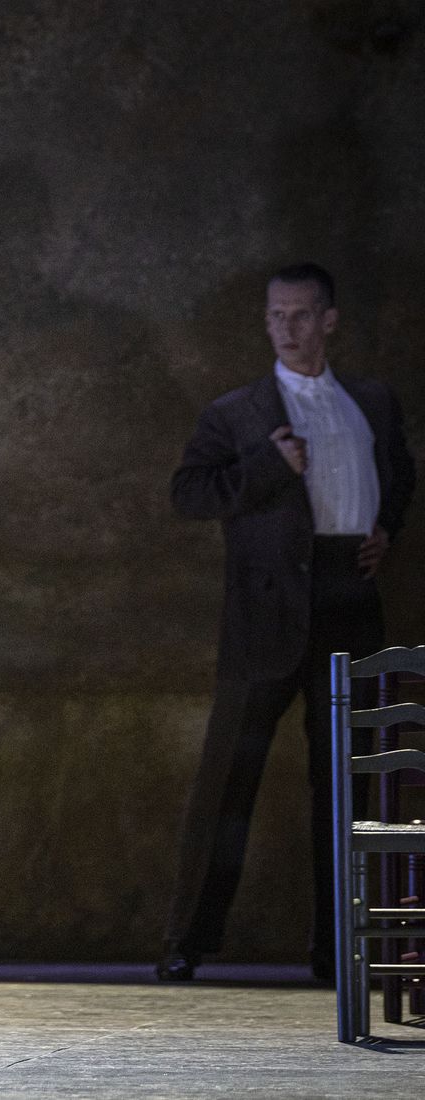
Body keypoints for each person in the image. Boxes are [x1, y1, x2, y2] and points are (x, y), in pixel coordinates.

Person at [158, 263, 415, 982]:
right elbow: (188, 494)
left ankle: (338, 949)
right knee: (227, 785)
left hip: (348, 601)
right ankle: (185, 943)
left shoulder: (371, 400)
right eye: (277, 316)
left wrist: (386, 529)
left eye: (302, 315)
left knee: (345, 787)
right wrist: (270, 469)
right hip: (264, 611)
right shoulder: (236, 412)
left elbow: (399, 472)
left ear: (328, 320)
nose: (288, 327)